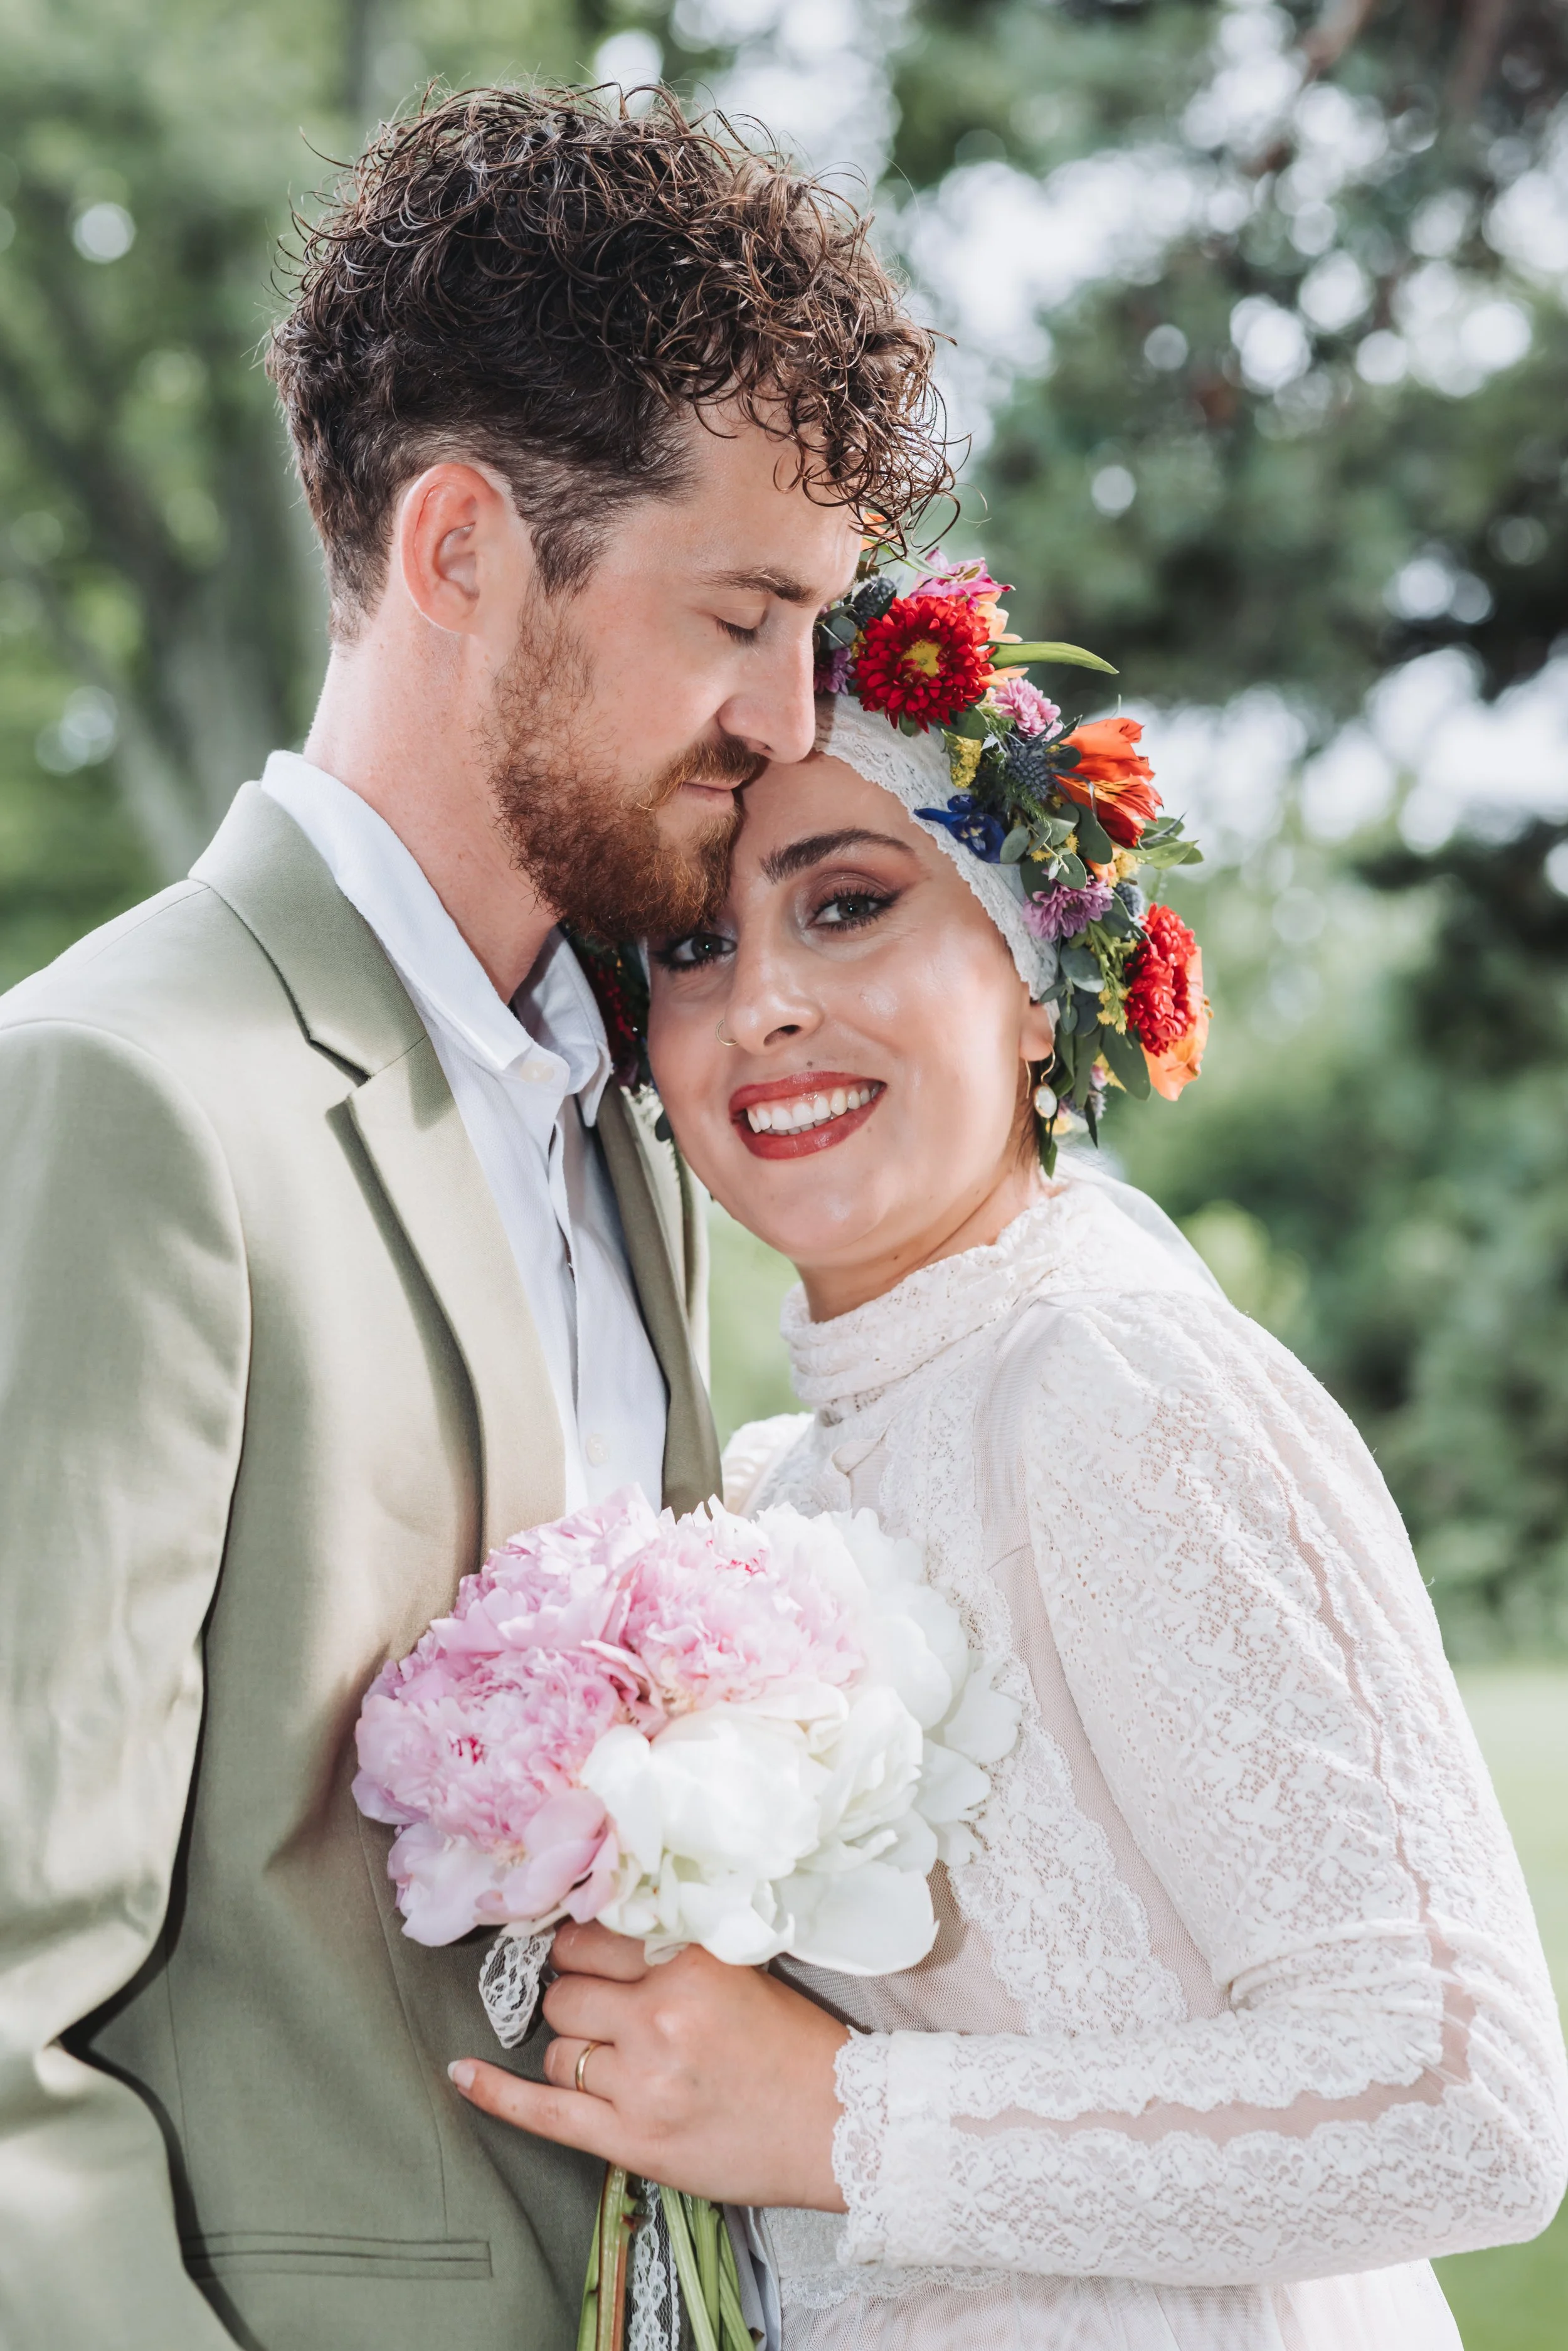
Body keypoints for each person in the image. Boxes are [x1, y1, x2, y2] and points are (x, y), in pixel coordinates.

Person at [0, 87, 947, 2351]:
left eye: (816, 625)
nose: (786, 717)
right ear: (458, 550)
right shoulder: (120, 1095)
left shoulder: (633, 1109)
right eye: (741, 612)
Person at [452, 566, 1568, 2349]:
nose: (761, 1010)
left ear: (1036, 973)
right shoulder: (782, 1481)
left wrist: (834, 2117)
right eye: (693, 946)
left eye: (848, 904)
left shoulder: (1108, 1376)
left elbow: (1461, 2099)